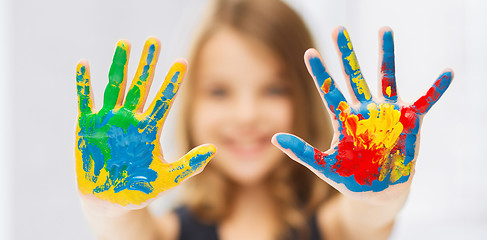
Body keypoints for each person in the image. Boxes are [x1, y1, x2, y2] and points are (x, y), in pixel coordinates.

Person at [74, 0, 453, 239]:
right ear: (190, 105)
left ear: (306, 99)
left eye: (274, 90)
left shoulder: (336, 226)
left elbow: (368, 218)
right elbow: (126, 229)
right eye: (219, 92)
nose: (246, 115)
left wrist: (380, 197)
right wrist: (105, 208)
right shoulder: (170, 232)